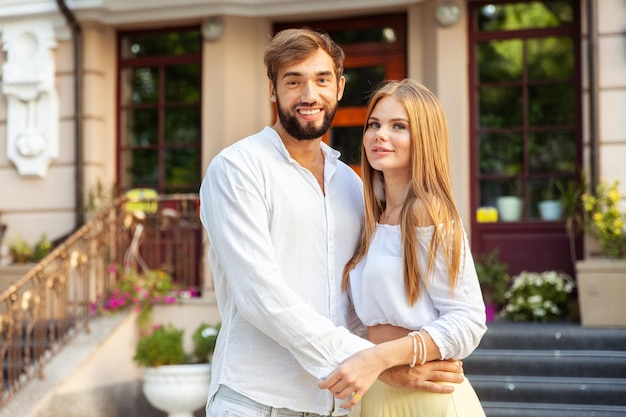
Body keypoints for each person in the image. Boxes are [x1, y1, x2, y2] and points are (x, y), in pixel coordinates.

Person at [200, 29, 465, 417]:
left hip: (342, 405)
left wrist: (402, 351)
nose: (309, 95)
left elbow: (358, 299)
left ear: (339, 87)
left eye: (322, 80)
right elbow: (260, 297)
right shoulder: (238, 169)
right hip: (259, 401)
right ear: (273, 90)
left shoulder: (351, 183)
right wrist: (376, 363)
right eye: (294, 81)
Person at [319, 79, 487, 416]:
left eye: (399, 126)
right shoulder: (374, 218)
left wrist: (380, 357)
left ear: (423, 139)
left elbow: (468, 320)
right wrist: (372, 361)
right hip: (378, 391)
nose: (380, 135)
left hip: (426, 400)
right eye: (374, 124)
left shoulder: (427, 210)